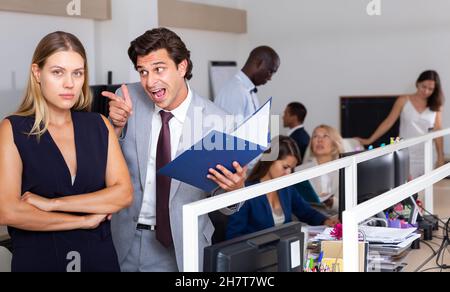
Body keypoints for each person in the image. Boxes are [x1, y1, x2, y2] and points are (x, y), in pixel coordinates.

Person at [102, 28, 247, 272]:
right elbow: (103, 166)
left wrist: (234, 190)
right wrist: (113, 128)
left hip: (181, 247)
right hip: (121, 240)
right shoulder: (127, 99)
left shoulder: (219, 122)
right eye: (143, 72)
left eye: (159, 69)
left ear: (182, 67)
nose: (149, 82)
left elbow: (224, 203)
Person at [0, 31, 133, 272]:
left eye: (77, 73)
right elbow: (7, 211)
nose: (69, 83)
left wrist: (52, 204)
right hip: (40, 260)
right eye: (58, 72)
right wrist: (82, 220)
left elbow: (123, 194)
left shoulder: (99, 125)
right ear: (37, 73)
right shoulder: (13, 129)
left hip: (98, 259)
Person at [226, 136, 339, 240]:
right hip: (256, 257)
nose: (288, 173)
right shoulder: (247, 191)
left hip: (282, 253)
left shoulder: (286, 188)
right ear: (270, 161)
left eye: (291, 169)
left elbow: (306, 212)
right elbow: (233, 236)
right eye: (285, 167)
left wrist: (325, 220)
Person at [356, 70, 445, 178]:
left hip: (429, 154)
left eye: (430, 89)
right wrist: (369, 140)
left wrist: (441, 157)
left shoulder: (436, 106)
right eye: (423, 86)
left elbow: (438, 132)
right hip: (407, 153)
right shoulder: (403, 100)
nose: (426, 91)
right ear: (417, 83)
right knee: (408, 189)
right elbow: (388, 122)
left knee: (429, 191)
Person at [214, 46, 280, 120]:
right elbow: (232, 130)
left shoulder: (249, 91)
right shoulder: (235, 91)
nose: (270, 78)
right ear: (259, 63)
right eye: (270, 71)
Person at [297, 125, 344, 215]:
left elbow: (351, 205)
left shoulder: (345, 171)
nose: (319, 140)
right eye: (315, 136)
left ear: (334, 143)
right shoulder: (299, 172)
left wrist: (332, 202)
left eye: (325, 136)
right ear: (311, 143)